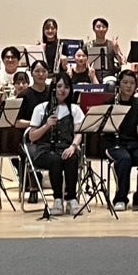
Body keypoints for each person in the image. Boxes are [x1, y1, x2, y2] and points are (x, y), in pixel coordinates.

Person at [27, 73, 86, 214]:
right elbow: (32, 136)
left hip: (66, 147)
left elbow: (79, 133)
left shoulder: (75, 109)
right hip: (44, 150)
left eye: (66, 87)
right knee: (55, 160)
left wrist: (73, 146)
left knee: (71, 158)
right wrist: (46, 126)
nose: (62, 90)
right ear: (53, 88)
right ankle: (58, 199)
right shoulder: (41, 108)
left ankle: (71, 199)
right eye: (59, 86)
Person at [106, 70, 138, 212]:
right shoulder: (111, 103)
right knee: (124, 160)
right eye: (125, 82)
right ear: (119, 84)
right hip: (114, 144)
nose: (129, 86)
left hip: (134, 144)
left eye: (132, 83)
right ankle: (121, 199)